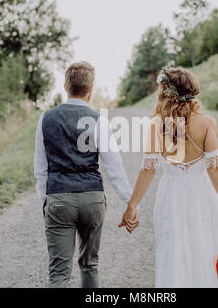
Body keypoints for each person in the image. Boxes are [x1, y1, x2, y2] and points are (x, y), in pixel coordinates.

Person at [119, 64, 218, 287]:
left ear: (165, 93)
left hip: (171, 196)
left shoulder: (156, 126)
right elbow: (214, 169)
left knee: (173, 252)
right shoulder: (207, 123)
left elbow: (148, 170)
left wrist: (132, 206)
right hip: (203, 195)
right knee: (204, 248)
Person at [34, 61, 137, 288]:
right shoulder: (99, 120)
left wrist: (45, 202)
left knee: (59, 272)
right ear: (91, 90)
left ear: (65, 86)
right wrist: (130, 204)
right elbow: (114, 168)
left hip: (59, 198)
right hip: (92, 199)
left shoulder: (46, 119)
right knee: (90, 264)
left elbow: (40, 169)